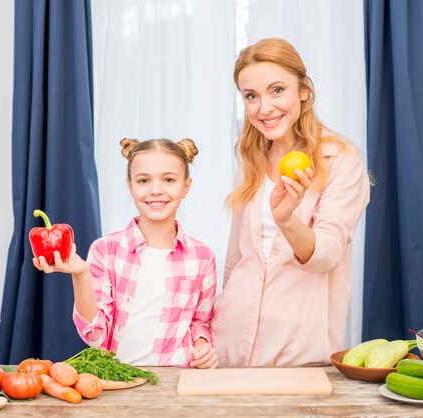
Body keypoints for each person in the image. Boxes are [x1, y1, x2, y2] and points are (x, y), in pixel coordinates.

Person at [211, 38, 370, 367]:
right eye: (251, 96)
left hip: (298, 351)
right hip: (229, 343)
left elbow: (327, 254)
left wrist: (287, 220)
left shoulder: (340, 159)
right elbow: (234, 260)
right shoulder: (251, 158)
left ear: (303, 91)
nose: (264, 108)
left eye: (277, 90)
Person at [33, 138, 218, 369]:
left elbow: (200, 322)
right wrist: (81, 275)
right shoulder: (105, 251)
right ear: (130, 186)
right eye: (143, 180)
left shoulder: (203, 257)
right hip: (120, 381)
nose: (156, 190)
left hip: (178, 380)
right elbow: (95, 338)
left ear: (186, 186)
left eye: (169, 180)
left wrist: (202, 345)